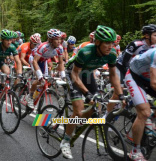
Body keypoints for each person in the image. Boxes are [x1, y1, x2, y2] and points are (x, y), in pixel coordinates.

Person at [60, 25, 123, 159]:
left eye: (112, 43)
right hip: (73, 73)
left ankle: (72, 122)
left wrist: (121, 94)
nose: (110, 46)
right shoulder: (86, 51)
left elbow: (113, 76)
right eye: (107, 42)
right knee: (79, 110)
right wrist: (86, 93)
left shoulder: (111, 54)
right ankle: (65, 141)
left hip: (87, 74)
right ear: (98, 42)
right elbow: (75, 75)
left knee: (96, 108)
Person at [125, 45, 156, 161]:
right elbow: (154, 84)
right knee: (144, 112)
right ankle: (135, 151)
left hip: (149, 77)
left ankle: (150, 123)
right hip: (135, 77)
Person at [26, 29, 65, 109]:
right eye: (56, 39)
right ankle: (29, 97)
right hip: (34, 59)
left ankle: (35, 96)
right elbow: (35, 61)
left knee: (44, 82)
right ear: (50, 40)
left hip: (44, 60)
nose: (59, 41)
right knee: (39, 80)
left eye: (60, 39)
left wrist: (63, 76)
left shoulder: (60, 48)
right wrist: (40, 76)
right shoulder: (43, 47)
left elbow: (61, 63)